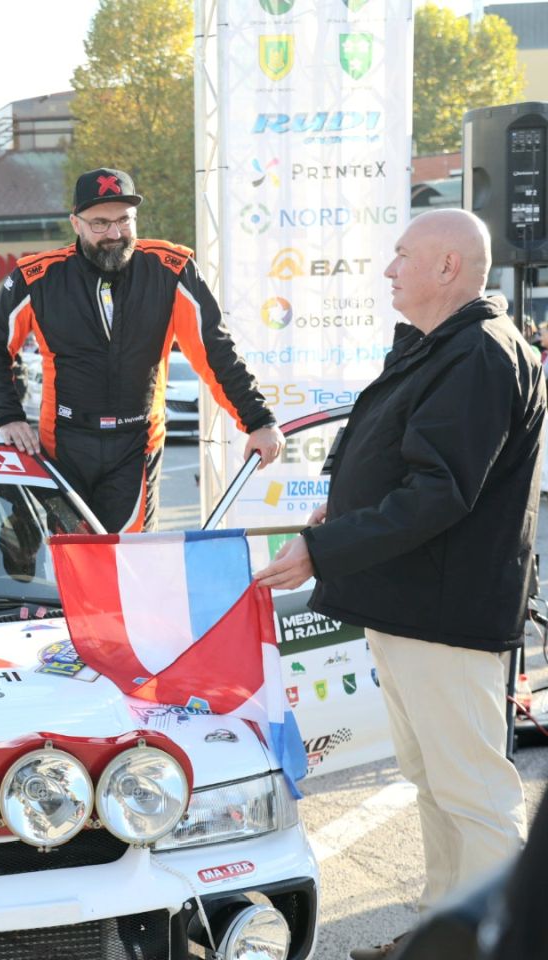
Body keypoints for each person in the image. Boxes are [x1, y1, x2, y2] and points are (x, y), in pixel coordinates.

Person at [254, 209, 545, 960]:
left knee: (474, 795)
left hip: (445, 613)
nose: (388, 269)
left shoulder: (477, 352)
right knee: (433, 779)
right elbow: (412, 464)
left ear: (447, 267)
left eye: (401, 256)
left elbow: (439, 493)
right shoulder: (443, 346)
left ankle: (492, 943)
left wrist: (326, 546)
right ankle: (441, 936)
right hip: (416, 606)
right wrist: (343, 508)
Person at [0, 166, 282, 532]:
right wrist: (8, 415)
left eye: (124, 220)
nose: (115, 234)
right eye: (100, 223)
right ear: (76, 223)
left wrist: (258, 421)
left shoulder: (172, 268)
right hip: (65, 444)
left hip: (137, 444)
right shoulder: (36, 277)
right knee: (74, 559)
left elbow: (214, 350)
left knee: (128, 560)